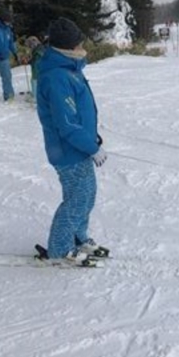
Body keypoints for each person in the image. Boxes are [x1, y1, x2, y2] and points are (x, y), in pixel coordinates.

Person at [36, 17, 107, 261]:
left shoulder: (70, 69)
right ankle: (59, 249)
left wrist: (92, 139)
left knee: (87, 196)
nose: (81, 47)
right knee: (77, 200)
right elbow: (66, 124)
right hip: (68, 151)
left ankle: (77, 237)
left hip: (79, 147)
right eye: (78, 43)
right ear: (67, 47)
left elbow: (79, 113)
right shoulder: (57, 77)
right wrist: (90, 147)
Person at [25, 35, 46, 102]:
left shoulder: (38, 50)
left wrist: (30, 61)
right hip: (40, 67)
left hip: (37, 67)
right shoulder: (40, 48)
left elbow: (36, 60)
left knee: (34, 80)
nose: (29, 48)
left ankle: (35, 96)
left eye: (29, 46)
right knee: (35, 80)